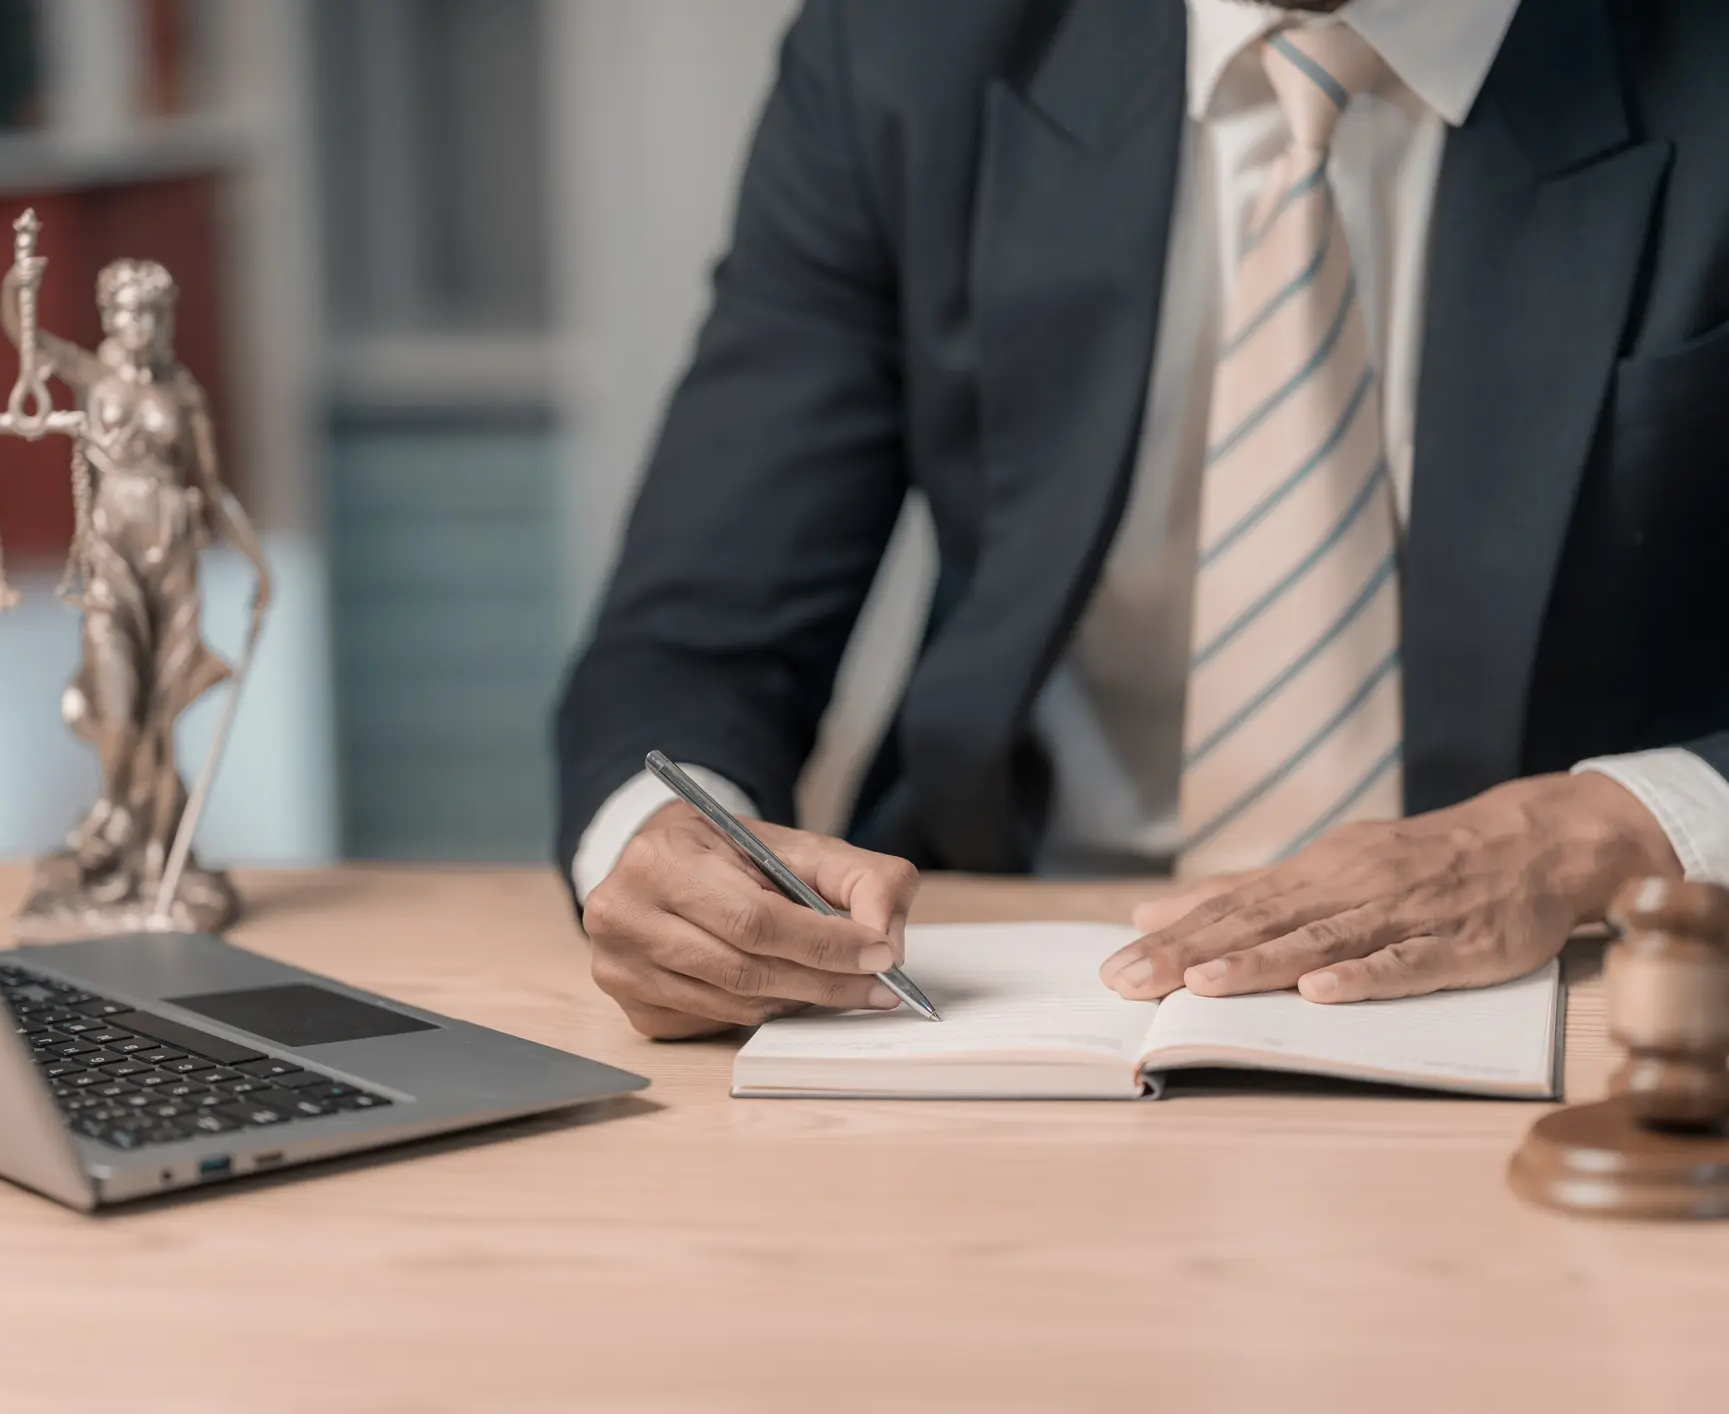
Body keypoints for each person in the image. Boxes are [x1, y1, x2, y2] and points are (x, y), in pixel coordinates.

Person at [557, 0, 1729, 1039]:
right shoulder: (904, 47)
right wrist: (665, 848)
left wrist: (1608, 829)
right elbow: (698, 638)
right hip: (1002, 998)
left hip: (1583, 997)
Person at [0, 254, 272, 928]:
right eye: (124, 310)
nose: (137, 324)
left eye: (150, 311)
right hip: (111, 562)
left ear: (167, 316)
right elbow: (26, 338)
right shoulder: (94, 376)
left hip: (173, 557)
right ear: (105, 315)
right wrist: (19, 283)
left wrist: (257, 563)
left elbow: (211, 489)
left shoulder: (184, 396)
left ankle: (151, 852)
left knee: (162, 709)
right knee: (117, 706)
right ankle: (112, 820)